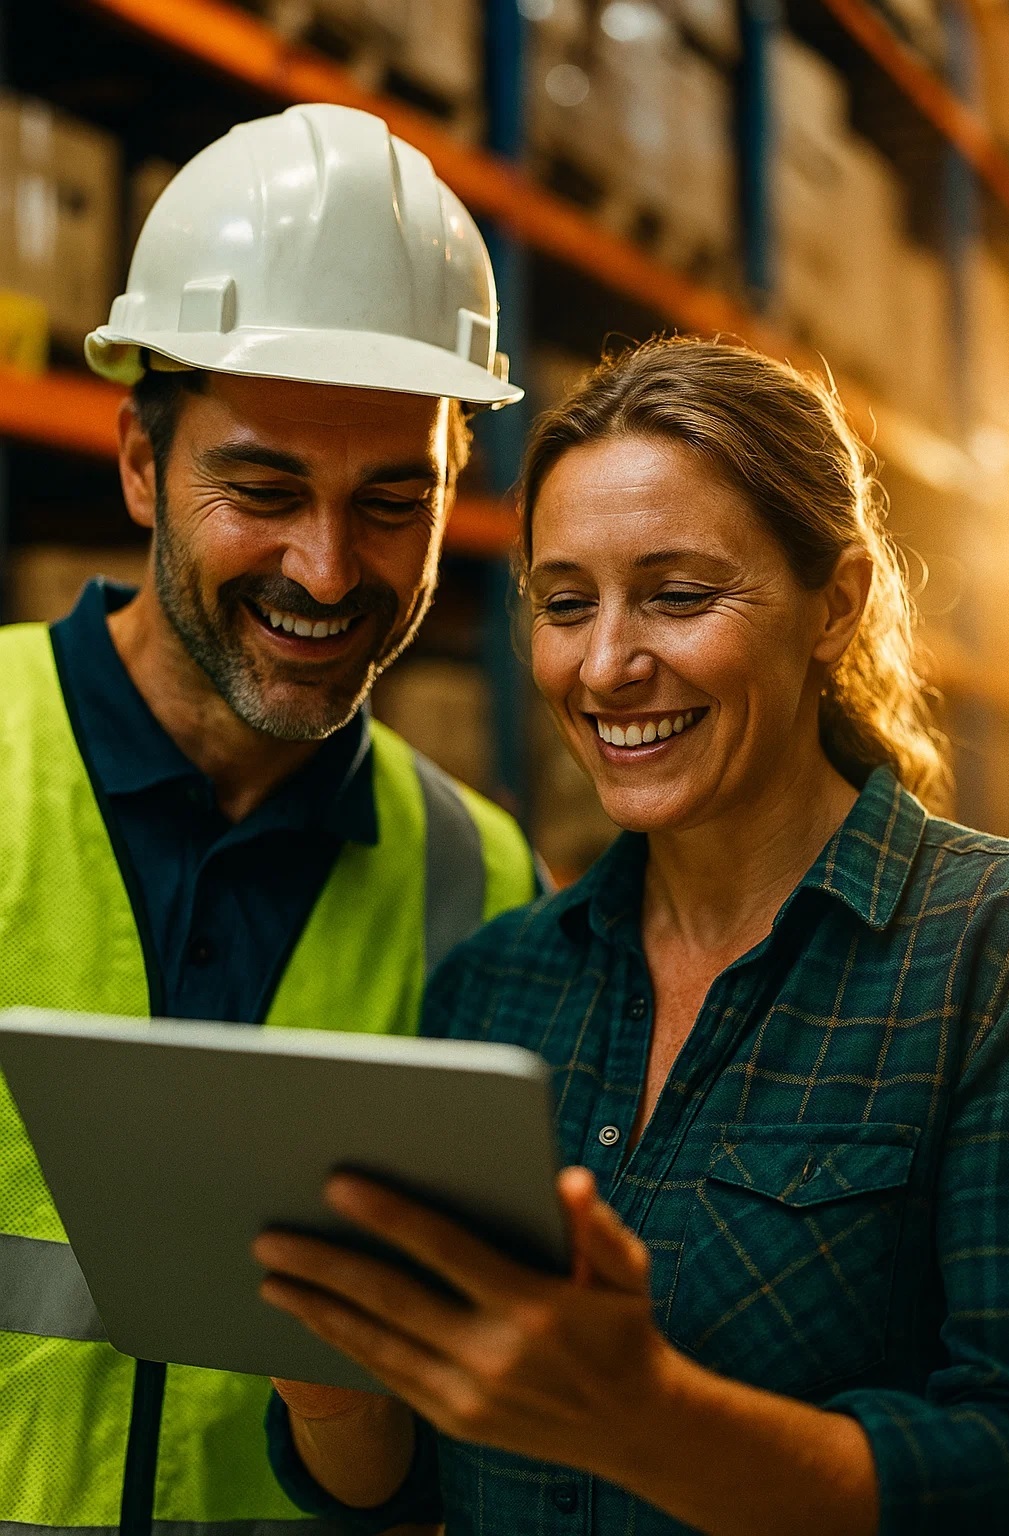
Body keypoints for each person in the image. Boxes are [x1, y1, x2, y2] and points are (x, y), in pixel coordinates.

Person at [254, 336, 1009, 1535]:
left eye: (677, 595)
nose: (605, 666)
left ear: (835, 604)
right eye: (566, 604)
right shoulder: (496, 987)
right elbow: (410, 1482)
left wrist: (643, 1415)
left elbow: (1001, 1459)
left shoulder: (988, 951)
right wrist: (333, 1382)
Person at [0, 103, 539, 1535]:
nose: (326, 567)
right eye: (263, 487)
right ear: (138, 465)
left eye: (390, 501)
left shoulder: (483, 883)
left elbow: (432, 1454)